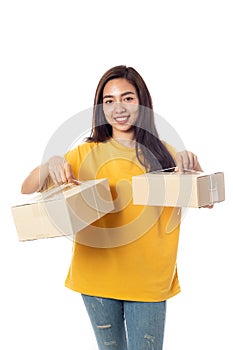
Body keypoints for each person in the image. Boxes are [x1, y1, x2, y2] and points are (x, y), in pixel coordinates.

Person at [21, 65, 212, 350]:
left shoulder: (166, 154)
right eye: (108, 101)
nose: (118, 108)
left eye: (127, 98)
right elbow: (27, 187)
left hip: (149, 281)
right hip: (96, 278)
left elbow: (206, 199)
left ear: (142, 102)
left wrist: (194, 166)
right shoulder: (84, 153)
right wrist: (50, 163)